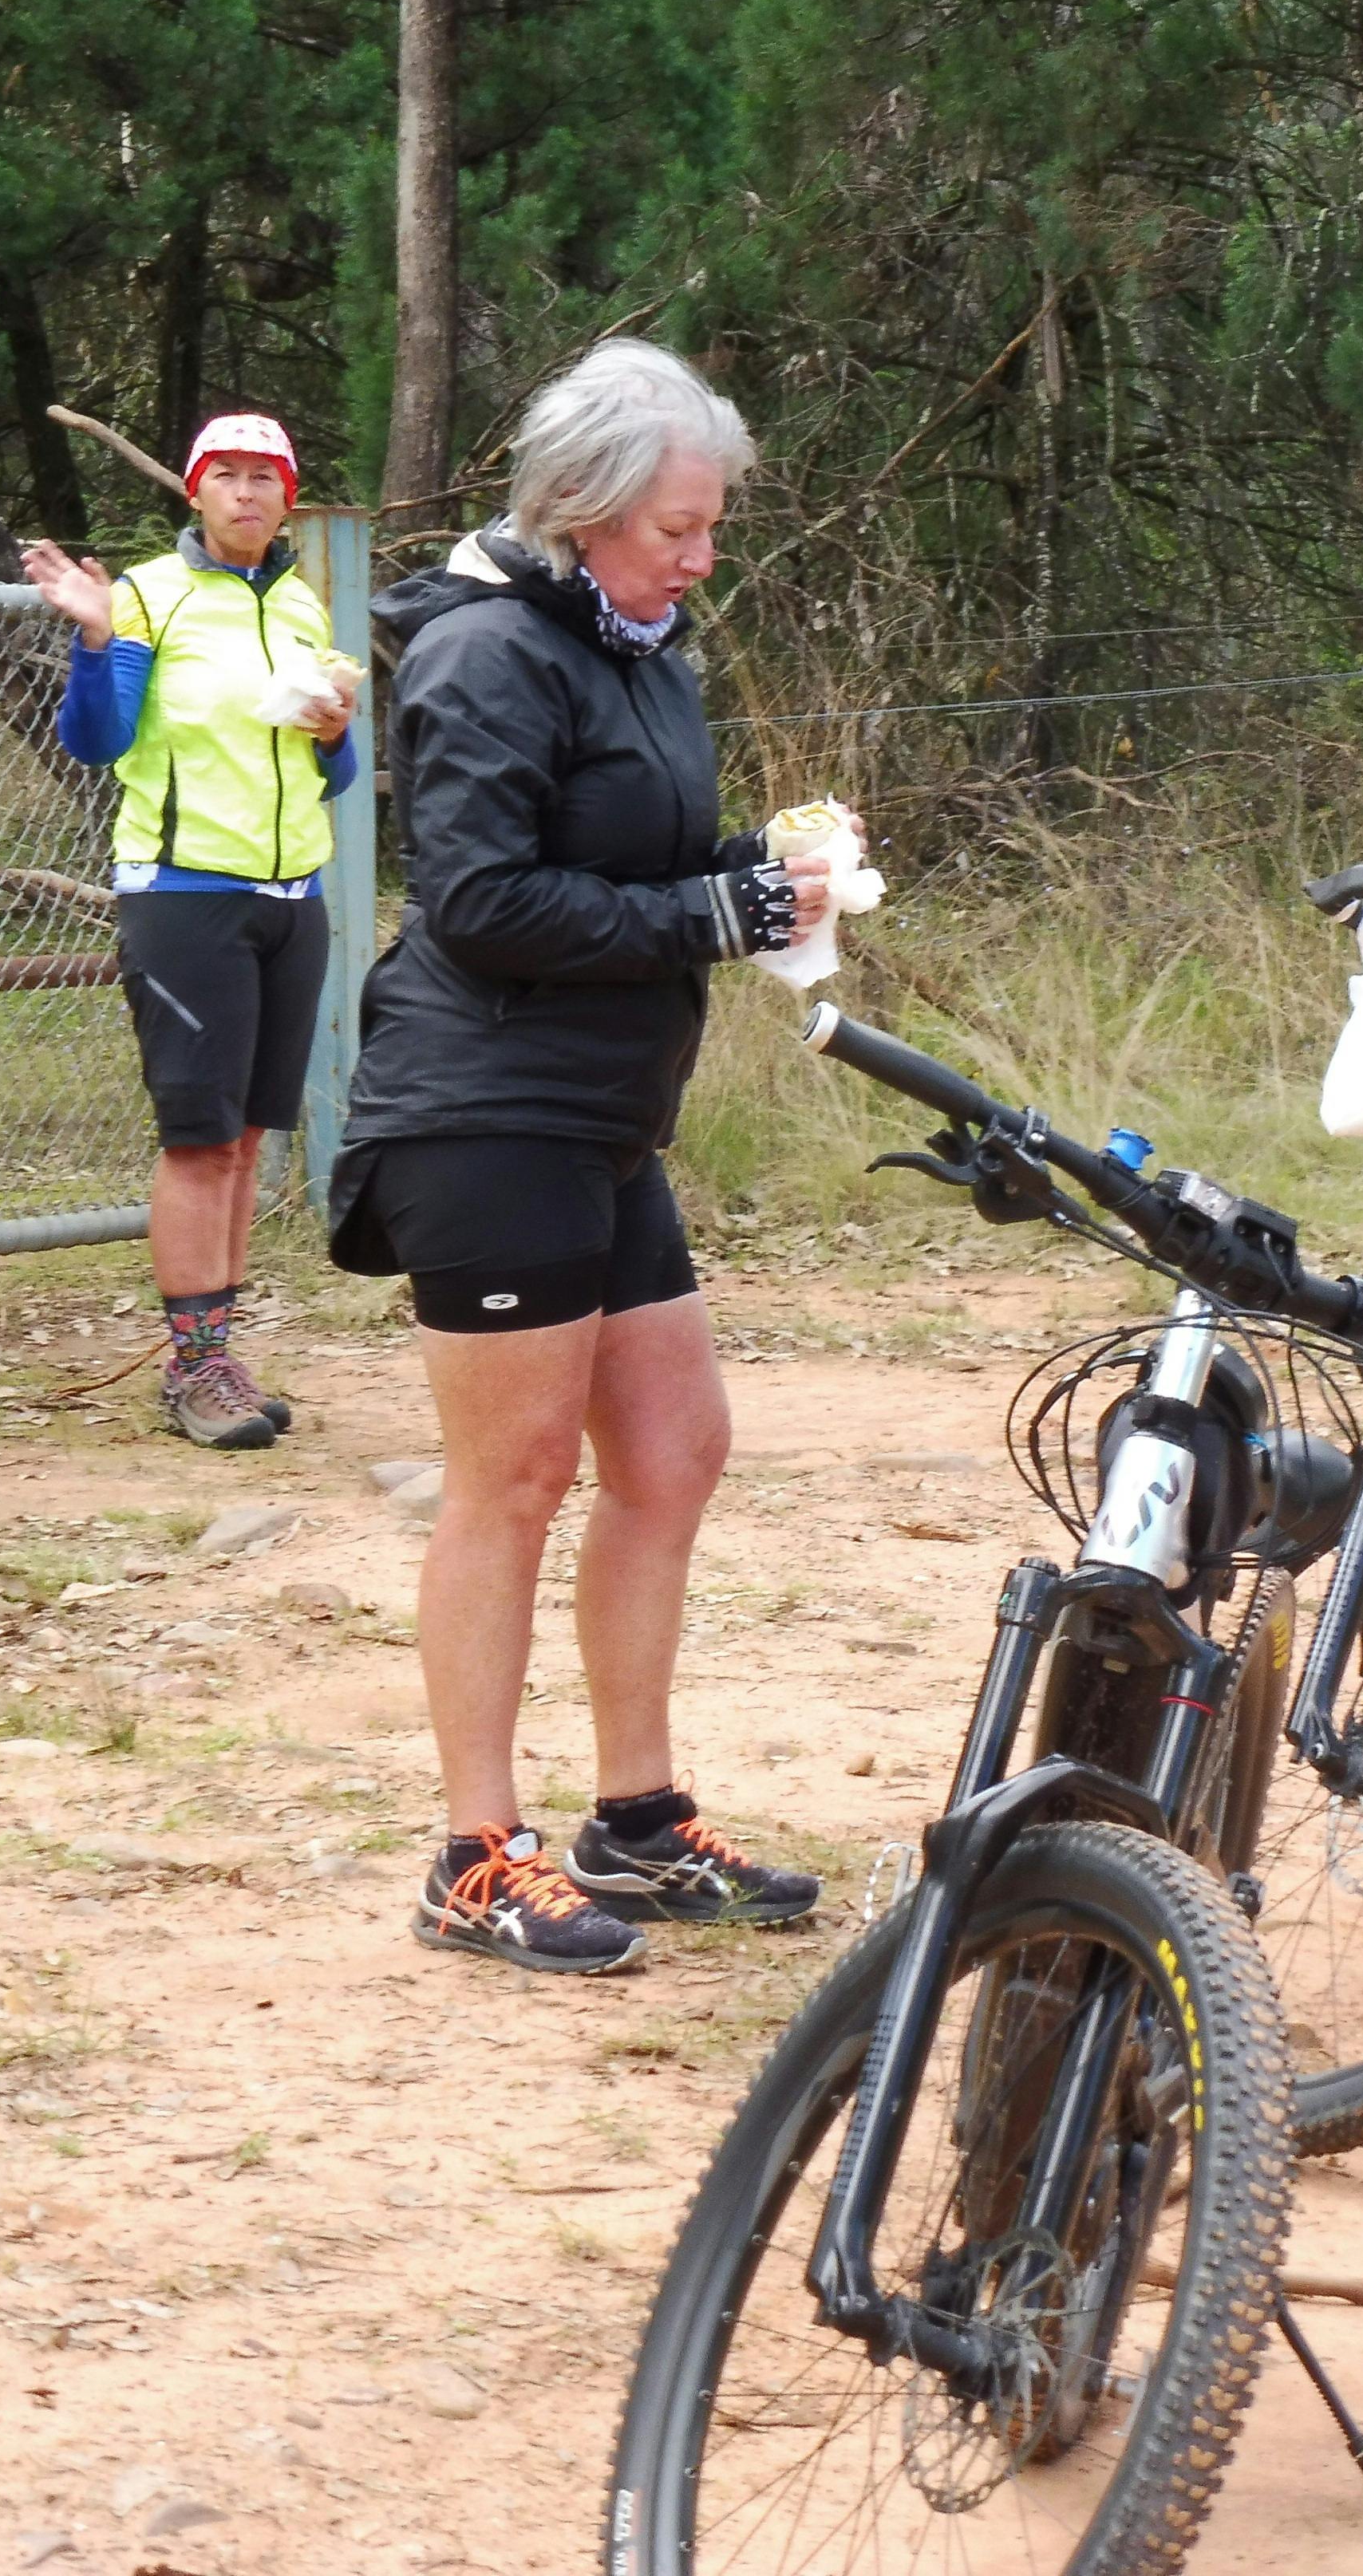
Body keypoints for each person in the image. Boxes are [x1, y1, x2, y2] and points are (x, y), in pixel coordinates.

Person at [334, 341, 852, 1976]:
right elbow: (482, 899)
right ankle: (476, 1855)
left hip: (605, 1118)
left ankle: (636, 1822)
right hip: (485, 1109)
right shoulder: (488, 651)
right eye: (678, 529)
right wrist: (712, 914)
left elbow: (629, 852)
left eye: (710, 526)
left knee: (676, 1450)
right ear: (582, 513)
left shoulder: (641, 646)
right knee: (514, 1477)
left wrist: (756, 869)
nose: (704, 558)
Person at [23, 415, 359, 1453]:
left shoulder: (304, 606)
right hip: (183, 896)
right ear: (196, 492)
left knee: (251, 1137)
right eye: (229, 477)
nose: (249, 494)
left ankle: (215, 1351)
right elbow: (97, 739)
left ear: (287, 501)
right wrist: (92, 637)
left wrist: (339, 735)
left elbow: (331, 778)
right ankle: (195, 1369)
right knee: (201, 1140)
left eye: (268, 479)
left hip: (293, 899)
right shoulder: (146, 597)